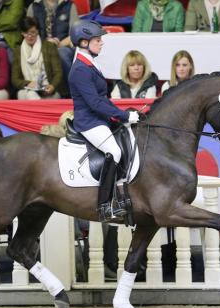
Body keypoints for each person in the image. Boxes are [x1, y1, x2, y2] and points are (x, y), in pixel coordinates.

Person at [68, 20, 140, 222]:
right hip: (89, 121)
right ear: (84, 42)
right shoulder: (80, 69)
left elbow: (102, 100)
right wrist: (124, 115)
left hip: (100, 117)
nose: (101, 43)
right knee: (114, 151)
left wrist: (120, 113)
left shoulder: (90, 63)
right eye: (97, 40)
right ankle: (104, 205)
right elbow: (95, 102)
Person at [27, 0, 79, 94]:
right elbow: (28, 32)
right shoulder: (34, 6)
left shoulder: (69, 6)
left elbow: (75, 34)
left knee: (61, 53)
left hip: (62, 47)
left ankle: (73, 92)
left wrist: (58, 44)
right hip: (39, 46)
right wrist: (45, 45)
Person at [12, 17, 65, 100]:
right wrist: (28, 83)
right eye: (26, 33)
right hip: (28, 89)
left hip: (48, 89)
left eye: (32, 32)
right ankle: (38, 105)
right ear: (22, 33)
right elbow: (15, 79)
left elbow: (58, 72)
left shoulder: (49, 46)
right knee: (27, 93)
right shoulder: (18, 51)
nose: (29, 36)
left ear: (37, 31)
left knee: (28, 96)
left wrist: (52, 86)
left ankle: (37, 107)